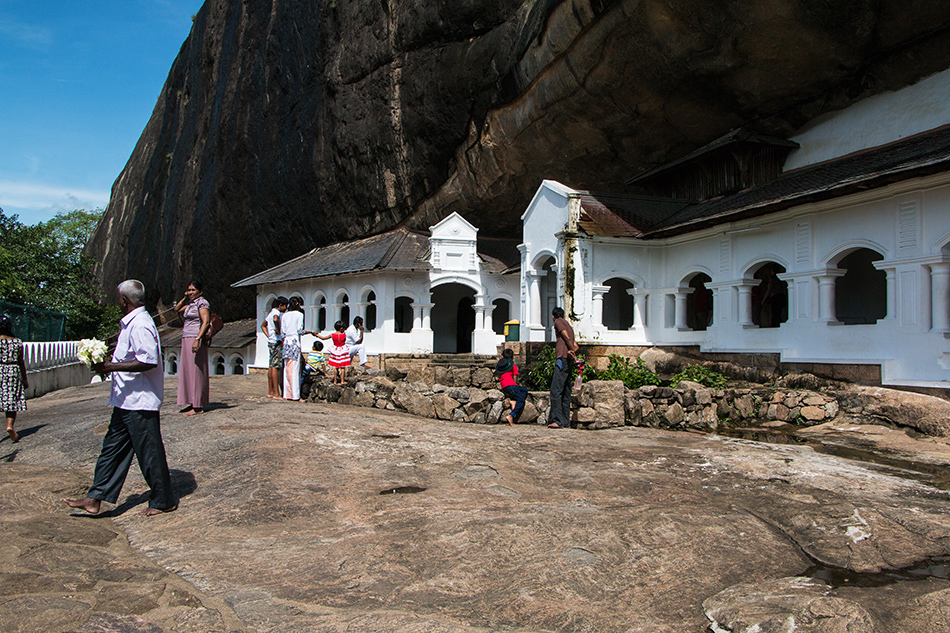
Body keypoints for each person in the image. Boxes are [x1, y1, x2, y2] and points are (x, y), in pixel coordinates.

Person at [63, 280, 177, 517]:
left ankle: (163, 500)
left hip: (139, 401)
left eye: (118, 298)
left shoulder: (141, 325)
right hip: (125, 400)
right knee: (112, 450)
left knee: (149, 452)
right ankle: (95, 498)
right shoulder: (132, 324)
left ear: (124, 300)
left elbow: (149, 360)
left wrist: (110, 367)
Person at [175, 281, 210, 416]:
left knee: (196, 371)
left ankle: (198, 406)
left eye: (193, 290)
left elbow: (205, 322)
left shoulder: (202, 303)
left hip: (195, 337)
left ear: (200, 292)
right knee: (188, 370)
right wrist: (185, 297)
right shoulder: (190, 304)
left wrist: (197, 339)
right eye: (188, 290)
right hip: (186, 337)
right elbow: (177, 309)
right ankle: (191, 401)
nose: (190, 292)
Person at [547, 307, 578, 429]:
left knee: (556, 391)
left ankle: (557, 420)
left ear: (553, 316)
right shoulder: (569, 325)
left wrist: (570, 350)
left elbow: (565, 336)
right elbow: (576, 345)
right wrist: (572, 351)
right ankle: (565, 421)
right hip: (568, 360)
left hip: (562, 359)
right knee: (566, 391)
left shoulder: (558, 322)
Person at [0, 314, 28, 443]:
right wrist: (25, 379)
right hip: (13, 371)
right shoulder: (17, 342)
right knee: (11, 401)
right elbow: (21, 362)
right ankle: (10, 426)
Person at [261, 296, 287, 398]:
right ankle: (276, 393)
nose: (285, 309)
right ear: (280, 305)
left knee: (271, 365)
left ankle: (271, 391)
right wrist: (279, 331)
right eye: (285, 306)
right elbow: (276, 319)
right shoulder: (276, 313)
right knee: (276, 366)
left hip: (271, 341)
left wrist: (268, 335)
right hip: (276, 341)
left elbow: (263, 325)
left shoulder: (270, 313)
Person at [280, 296, 306, 400]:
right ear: (297, 304)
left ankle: (287, 394)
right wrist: (308, 332)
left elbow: (282, 333)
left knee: (287, 369)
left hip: (287, 342)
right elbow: (300, 330)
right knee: (295, 369)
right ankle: (296, 395)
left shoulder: (284, 315)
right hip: (295, 342)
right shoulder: (299, 315)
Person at [495, 348, 527, 426]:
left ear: (502, 356)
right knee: (522, 400)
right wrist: (514, 384)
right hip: (511, 385)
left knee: (524, 390)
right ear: (513, 357)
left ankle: (514, 401)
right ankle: (511, 415)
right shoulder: (513, 366)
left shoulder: (502, 366)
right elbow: (515, 379)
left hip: (504, 386)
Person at [317, 321, 350, 385]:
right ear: (341, 328)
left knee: (335, 366)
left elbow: (323, 338)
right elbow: (344, 341)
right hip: (342, 350)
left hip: (335, 350)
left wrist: (317, 335)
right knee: (342, 367)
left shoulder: (332, 335)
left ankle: (335, 381)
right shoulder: (343, 335)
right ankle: (342, 381)